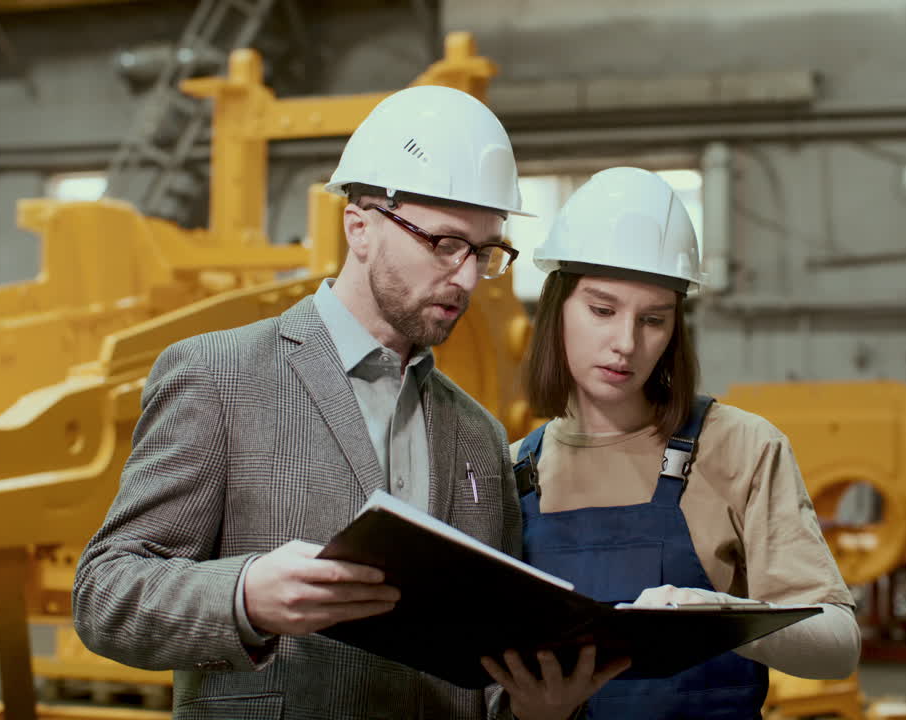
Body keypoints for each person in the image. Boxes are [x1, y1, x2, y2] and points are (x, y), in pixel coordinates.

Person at [72, 85, 618, 720]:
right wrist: (244, 596)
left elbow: (486, 667)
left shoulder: (478, 434)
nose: (467, 277)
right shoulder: (217, 376)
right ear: (360, 226)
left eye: (485, 252)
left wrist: (534, 708)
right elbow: (105, 592)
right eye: (443, 244)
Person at [497, 167, 861, 719]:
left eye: (653, 320)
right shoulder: (512, 472)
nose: (625, 343)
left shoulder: (738, 447)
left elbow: (838, 645)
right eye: (602, 310)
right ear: (556, 308)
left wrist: (716, 615)